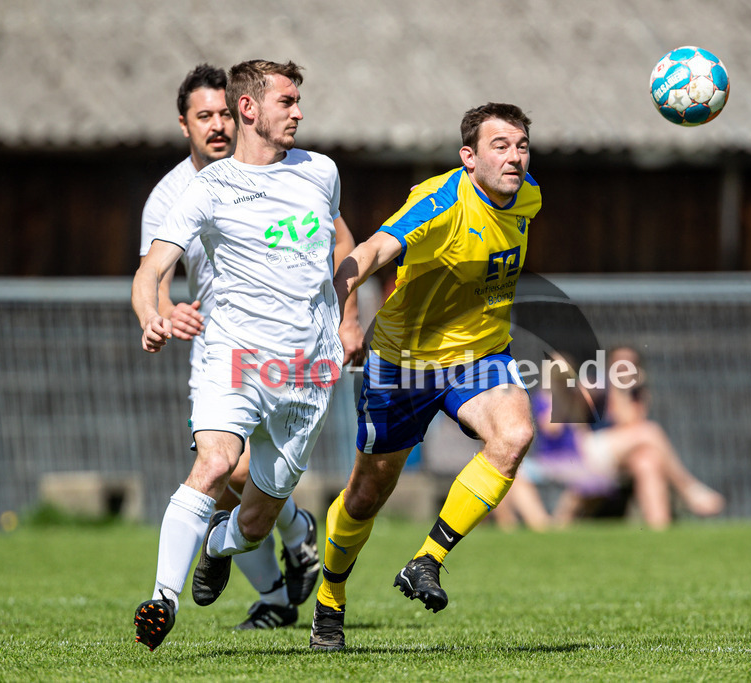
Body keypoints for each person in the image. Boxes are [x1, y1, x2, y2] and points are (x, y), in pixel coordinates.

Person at [132, 59, 361, 651]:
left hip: (307, 370)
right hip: (231, 357)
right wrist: (152, 314)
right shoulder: (202, 189)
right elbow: (151, 268)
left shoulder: (322, 172)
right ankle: (162, 600)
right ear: (251, 110)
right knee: (214, 465)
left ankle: (218, 545)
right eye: (288, 101)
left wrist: (348, 315)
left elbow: (341, 246)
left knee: (255, 522)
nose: (300, 112)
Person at [309, 103, 542, 652]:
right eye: (500, 146)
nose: (514, 157)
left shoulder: (528, 194)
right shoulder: (439, 201)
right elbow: (370, 252)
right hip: (403, 361)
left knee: (514, 435)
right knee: (366, 494)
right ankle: (329, 601)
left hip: (481, 355)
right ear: (469, 156)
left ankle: (426, 561)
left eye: (521, 145)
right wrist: (344, 317)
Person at [576, 346, 725, 529]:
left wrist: (627, 390)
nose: (624, 367)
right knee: (650, 431)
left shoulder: (637, 393)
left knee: (648, 461)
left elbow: (630, 422)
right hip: (590, 451)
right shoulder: (595, 383)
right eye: (619, 362)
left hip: (621, 455)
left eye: (629, 362)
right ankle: (689, 490)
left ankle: (659, 532)